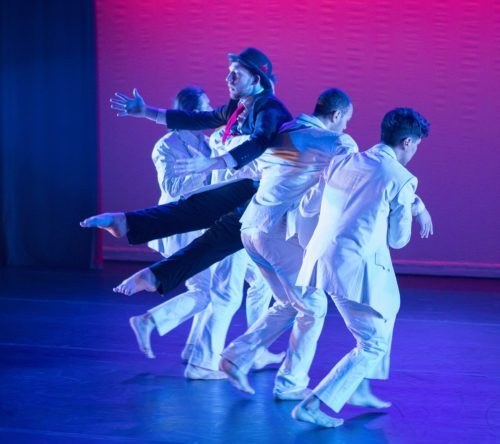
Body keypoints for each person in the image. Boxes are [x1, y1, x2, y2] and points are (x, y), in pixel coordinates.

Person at [80, 47, 292, 295]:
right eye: (229, 73)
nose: (228, 79)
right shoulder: (238, 108)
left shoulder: (270, 108)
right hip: (253, 189)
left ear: (256, 79)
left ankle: (156, 273)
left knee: (223, 238)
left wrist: (212, 163)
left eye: (236, 74)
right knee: (197, 207)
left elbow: (259, 141)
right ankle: (127, 223)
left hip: (275, 196)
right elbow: (197, 119)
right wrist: (146, 111)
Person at [291, 108, 432, 428]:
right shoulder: (401, 178)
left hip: (323, 258)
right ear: (408, 142)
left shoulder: (343, 161)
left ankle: (361, 383)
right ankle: (315, 404)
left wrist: (309, 245)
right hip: (353, 269)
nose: (415, 151)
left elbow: (308, 205)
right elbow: (398, 240)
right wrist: (412, 206)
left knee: (389, 305)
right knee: (373, 343)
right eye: (417, 145)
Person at [130, 87, 283, 379]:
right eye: (206, 106)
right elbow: (174, 190)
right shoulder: (167, 146)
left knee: (252, 284)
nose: (211, 111)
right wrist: (207, 170)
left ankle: (213, 350)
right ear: (191, 112)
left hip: (213, 222)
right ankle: (158, 326)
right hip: (183, 224)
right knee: (210, 291)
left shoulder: (209, 142)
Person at [218, 88, 358, 399]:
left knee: (289, 302)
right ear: (336, 115)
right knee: (314, 305)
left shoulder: (284, 131)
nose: (346, 127)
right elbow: (355, 168)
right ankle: (290, 383)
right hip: (276, 232)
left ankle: (235, 357)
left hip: (251, 227)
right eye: (346, 120)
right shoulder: (330, 139)